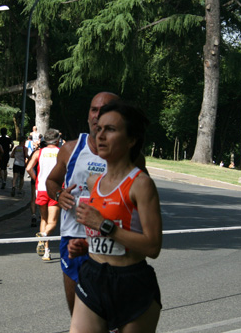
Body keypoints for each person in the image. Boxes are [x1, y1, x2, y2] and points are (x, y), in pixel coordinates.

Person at [46, 92, 147, 314]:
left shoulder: (133, 156)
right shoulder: (71, 149)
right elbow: (51, 181)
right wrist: (59, 194)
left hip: (112, 241)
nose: (97, 115)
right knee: (78, 315)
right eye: (93, 109)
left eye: (104, 110)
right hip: (75, 239)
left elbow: (143, 202)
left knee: (110, 315)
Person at [69, 100, 162, 332]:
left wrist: (103, 226)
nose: (100, 136)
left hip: (132, 283)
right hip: (93, 276)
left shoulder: (141, 184)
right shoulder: (93, 182)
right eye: (99, 129)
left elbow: (153, 247)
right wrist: (89, 244)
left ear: (131, 140)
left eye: (110, 130)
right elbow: (103, 233)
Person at [27, 129, 60, 261]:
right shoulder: (61, 153)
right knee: (52, 222)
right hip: (55, 189)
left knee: (44, 220)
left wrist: (36, 179)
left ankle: (46, 251)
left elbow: (29, 168)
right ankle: (44, 235)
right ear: (57, 140)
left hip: (41, 188)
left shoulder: (38, 152)